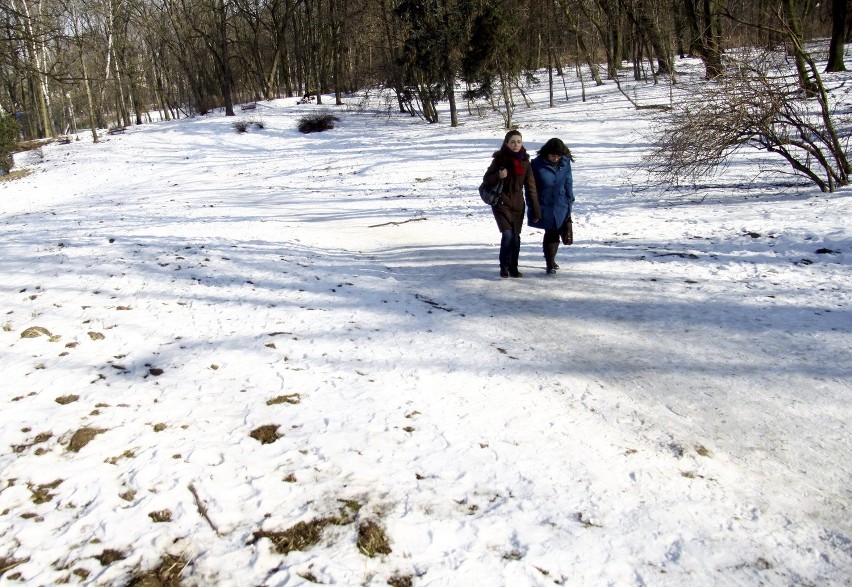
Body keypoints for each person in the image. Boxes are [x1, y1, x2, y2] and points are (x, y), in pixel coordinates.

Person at [482, 130, 541, 278]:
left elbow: (531, 187)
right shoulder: (499, 160)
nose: (516, 145)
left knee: (516, 237)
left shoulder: (525, 163)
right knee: (507, 235)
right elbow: (486, 179)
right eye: (512, 142)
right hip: (501, 203)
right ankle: (504, 267)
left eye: (519, 142)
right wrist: (498, 176)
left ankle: (514, 267)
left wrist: (535, 209)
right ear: (507, 143)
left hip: (518, 205)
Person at [529, 137, 574, 274]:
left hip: (561, 204)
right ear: (547, 153)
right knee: (551, 232)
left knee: (558, 231)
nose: (555, 158)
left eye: (558, 156)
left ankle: (551, 259)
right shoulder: (537, 165)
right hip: (544, 205)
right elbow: (531, 187)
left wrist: (570, 200)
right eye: (553, 155)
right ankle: (549, 262)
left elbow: (568, 183)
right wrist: (534, 206)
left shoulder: (565, 163)